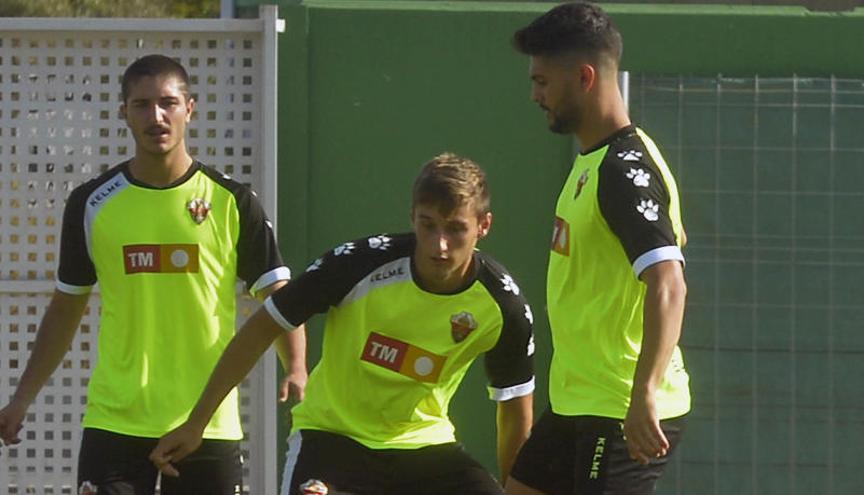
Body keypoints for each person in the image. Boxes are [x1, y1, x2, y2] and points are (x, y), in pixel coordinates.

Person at [0, 54, 306, 494]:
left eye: (168, 103)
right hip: (116, 420)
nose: (156, 116)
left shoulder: (232, 202)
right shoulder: (91, 203)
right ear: (123, 113)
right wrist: (22, 398)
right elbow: (66, 307)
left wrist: (296, 366)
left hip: (207, 422)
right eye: (141, 105)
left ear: (189, 109)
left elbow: (278, 295)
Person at [149, 153, 536, 495]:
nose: (439, 245)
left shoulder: (502, 305)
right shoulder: (359, 263)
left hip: (424, 449)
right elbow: (262, 327)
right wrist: (196, 423)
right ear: (412, 217)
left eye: (455, 229)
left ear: (483, 226)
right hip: (332, 441)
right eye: (428, 224)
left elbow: (515, 405)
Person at [506, 3, 690, 494]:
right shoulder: (591, 162)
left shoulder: (624, 173)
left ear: (584, 77)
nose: (535, 95)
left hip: (619, 410)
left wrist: (644, 392)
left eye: (543, 81)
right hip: (575, 403)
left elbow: (669, 282)